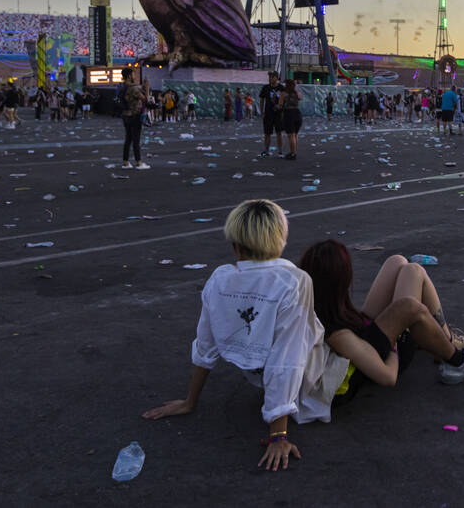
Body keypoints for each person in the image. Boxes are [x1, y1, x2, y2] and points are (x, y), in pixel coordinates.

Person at [142, 200, 347, 471]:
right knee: (388, 337)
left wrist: (189, 401)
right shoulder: (294, 281)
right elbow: (288, 359)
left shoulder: (220, 279)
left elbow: (206, 345)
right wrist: (278, 435)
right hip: (325, 382)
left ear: (236, 247)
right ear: (280, 241)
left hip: (270, 381)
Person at [298, 241, 464, 401]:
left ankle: (444, 340)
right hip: (382, 354)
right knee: (411, 296)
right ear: (341, 282)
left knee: (397, 261)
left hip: (365, 338)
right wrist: (395, 340)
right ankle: (457, 359)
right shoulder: (339, 335)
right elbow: (388, 377)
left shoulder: (317, 306)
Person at [119, 67, 150, 169]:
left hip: (125, 115)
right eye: (133, 74)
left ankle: (126, 162)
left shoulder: (123, 87)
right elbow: (146, 100)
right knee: (136, 140)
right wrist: (147, 88)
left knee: (128, 139)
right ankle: (139, 162)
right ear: (129, 76)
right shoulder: (134, 88)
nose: (134, 76)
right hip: (135, 115)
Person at [259, 72, 284, 157]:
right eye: (269, 77)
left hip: (278, 114)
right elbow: (262, 100)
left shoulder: (281, 88)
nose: (270, 78)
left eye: (272, 77)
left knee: (279, 132)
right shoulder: (265, 88)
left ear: (277, 78)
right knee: (267, 133)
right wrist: (261, 112)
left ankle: (280, 151)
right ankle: (266, 151)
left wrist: (282, 110)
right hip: (268, 114)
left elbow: (284, 100)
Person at [279, 79, 303, 160]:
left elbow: (280, 105)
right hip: (297, 113)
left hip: (289, 114)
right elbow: (300, 98)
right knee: (295, 134)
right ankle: (294, 152)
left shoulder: (283, 94)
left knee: (291, 135)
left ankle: (293, 153)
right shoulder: (297, 93)